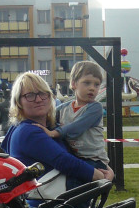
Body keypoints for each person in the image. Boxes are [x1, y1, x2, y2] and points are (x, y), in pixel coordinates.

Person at [2, 72, 114, 208]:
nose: (38, 99)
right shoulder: (28, 131)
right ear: (18, 102)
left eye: (43, 93)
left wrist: (105, 167)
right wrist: (100, 176)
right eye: (30, 95)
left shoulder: (48, 128)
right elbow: (64, 161)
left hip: (58, 204)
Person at [43, 60, 108, 191]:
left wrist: (54, 133)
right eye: (87, 83)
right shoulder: (63, 108)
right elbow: (49, 118)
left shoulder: (95, 108)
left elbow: (76, 128)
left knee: (75, 188)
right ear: (73, 84)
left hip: (93, 160)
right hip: (76, 157)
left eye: (96, 84)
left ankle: (79, 206)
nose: (92, 88)